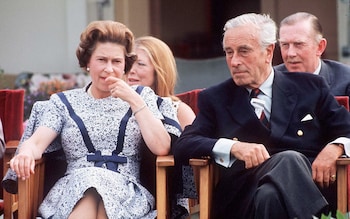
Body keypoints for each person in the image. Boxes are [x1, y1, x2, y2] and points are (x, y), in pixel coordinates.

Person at [173, 13, 350, 219]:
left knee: (270, 195)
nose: (234, 61)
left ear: (268, 52)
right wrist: (234, 147)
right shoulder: (216, 97)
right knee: (288, 159)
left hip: (302, 188)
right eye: (229, 52)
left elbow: (346, 129)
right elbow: (184, 145)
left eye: (243, 51)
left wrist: (335, 147)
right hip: (243, 197)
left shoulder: (310, 87)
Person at [9, 20, 181, 219]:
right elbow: (37, 142)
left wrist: (134, 99)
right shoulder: (63, 102)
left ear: (125, 64)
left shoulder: (142, 96)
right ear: (87, 62)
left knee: (97, 190)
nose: (109, 68)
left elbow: (161, 147)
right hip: (73, 189)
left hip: (127, 194)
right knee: (91, 182)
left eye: (116, 61)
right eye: (102, 60)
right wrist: (26, 153)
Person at [126, 36, 196, 218]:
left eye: (140, 64)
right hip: (121, 189)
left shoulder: (178, 109)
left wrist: (190, 204)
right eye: (129, 63)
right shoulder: (116, 108)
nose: (132, 71)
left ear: (159, 70)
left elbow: (193, 158)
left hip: (167, 195)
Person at [275, 12, 350, 97]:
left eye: (298, 44)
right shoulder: (271, 80)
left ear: (320, 47)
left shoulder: (346, 81)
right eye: (285, 44)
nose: (290, 53)